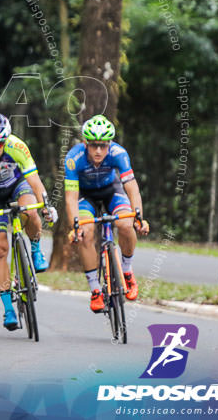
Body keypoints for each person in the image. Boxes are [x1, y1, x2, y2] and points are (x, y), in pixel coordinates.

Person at [0, 111, 56, 331]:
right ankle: (8, 309)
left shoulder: (17, 146)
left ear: (6, 141)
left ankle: (35, 249)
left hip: (16, 187)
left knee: (30, 211)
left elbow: (34, 181)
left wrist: (46, 205)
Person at [65, 114, 149, 312]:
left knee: (126, 225)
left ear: (110, 144)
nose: (99, 150)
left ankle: (127, 271)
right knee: (85, 233)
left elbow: (132, 188)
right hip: (86, 196)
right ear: (85, 143)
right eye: (94, 145)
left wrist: (139, 217)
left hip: (112, 191)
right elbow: (71, 198)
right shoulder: (73, 158)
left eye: (103, 145)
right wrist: (74, 226)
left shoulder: (119, 153)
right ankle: (95, 289)